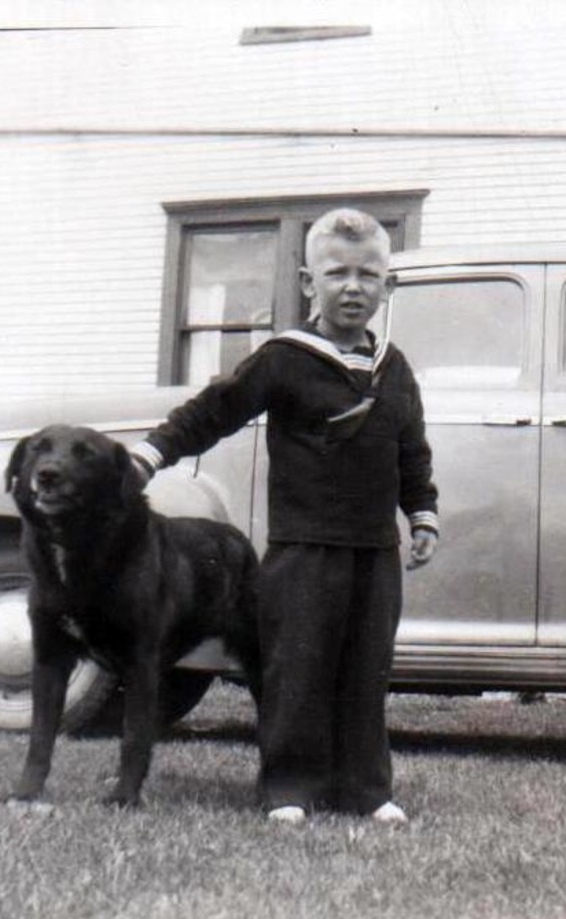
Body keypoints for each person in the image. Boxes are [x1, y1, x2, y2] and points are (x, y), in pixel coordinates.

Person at [129, 208, 438, 826]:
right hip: (303, 551)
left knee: (365, 670)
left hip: (374, 552)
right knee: (297, 669)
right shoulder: (283, 359)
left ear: (388, 286)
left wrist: (422, 512)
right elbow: (213, 410)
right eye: (337, 273)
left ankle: (366, 790)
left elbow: (411, 448)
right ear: (307, 283)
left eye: (369, 275)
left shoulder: (394, 369)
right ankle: (289, 787)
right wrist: (151, 453)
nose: (353, 287)